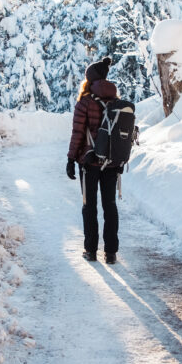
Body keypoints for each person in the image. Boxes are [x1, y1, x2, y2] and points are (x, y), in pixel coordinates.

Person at [66, 56, 121, 264]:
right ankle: (111, 253)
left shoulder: (85, 103)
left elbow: (78, 133)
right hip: (112, 162)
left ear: (89, 79)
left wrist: (71, 159)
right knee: (110, 205)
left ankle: (91, 251)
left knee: (89, 206)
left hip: (89, 162)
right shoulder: (116, 101)